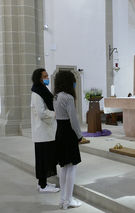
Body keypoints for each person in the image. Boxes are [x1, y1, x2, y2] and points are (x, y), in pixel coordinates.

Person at [53, 71, 82, 209]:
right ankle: (69, 200)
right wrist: (79, 135)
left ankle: (62, 199)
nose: (74, 83)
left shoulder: (56, 96)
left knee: (64, 166)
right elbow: (74, 120)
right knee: (72, 167)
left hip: (59, 131)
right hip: (68, 133)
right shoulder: (69, 97)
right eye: (73, 80)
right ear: (68, 82)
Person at [31, 68, 60, 193]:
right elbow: (41, 113)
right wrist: (55, 114)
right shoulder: (37, 93)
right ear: (39, 78)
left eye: (47, 75)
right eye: (45, 76)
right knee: (43, 159)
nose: (47, 78)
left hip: (45, 131)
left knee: (46, 158)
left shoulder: (42, 90)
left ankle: (43, 183)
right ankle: (42, 186)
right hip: (41, 131)